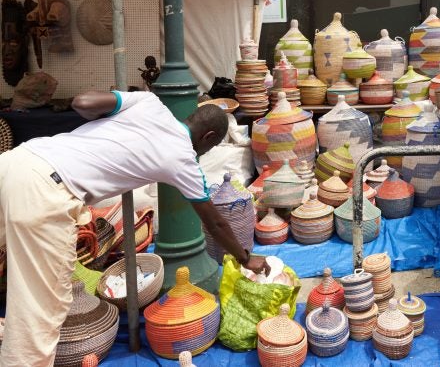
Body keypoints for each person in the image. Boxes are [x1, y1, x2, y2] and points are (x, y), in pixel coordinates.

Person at [0, 90, 270, 366]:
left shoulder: (149, 102)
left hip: (16, 160)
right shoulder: (183, 160)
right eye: (209, 149)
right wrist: (246, 258)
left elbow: (81, 102)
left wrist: (107, 132)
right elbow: (215, 222)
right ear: (208, 138)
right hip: (46, 192)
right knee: (39, 314)